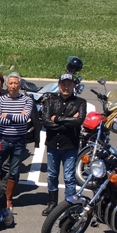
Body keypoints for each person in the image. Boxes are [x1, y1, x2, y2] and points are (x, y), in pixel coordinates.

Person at [41, 73, 87, 216]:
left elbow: (79, 121)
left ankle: (69, 205)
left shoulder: (80, 102)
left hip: (70, 146)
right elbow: (45, 121)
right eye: (63, 84)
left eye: (69, 84)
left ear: (74, 86)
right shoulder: (50, 101)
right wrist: (68, 121)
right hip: (53, 145)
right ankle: (52, 203)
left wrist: (57, 119)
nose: (66, 87)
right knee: (52, 176)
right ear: (59, 85)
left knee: (69, 178)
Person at [0, 72, 33, 211]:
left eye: (16, 83)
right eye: (10, 83)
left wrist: (7, 115)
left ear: (20, 85)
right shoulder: (0, 100)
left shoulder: (27, 100)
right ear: (6, 85)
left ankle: (8, 198)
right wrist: (16, 117)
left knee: (14, 170)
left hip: (19, 141)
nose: (13, 86)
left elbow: (24, 119)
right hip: (2, 139)